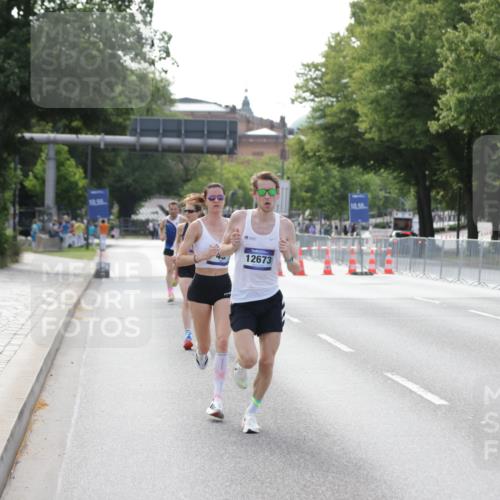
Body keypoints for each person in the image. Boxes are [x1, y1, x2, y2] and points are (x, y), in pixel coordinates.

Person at [219, 171, 300, 434]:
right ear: (254, 194)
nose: (267, 197)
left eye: (271, 192)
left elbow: (297, 269)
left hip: (270, 301)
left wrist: (288, 256)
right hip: (242, 300)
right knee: (250, 358)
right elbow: (222, 250)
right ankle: (240, 364)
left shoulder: (285, 225)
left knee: (267, 362)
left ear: (277, 194)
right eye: (261, 192)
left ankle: (251, 412)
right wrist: (232, 245)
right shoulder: (240, 219)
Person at [177, 183, 231, 420]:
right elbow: (179, 259)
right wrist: (203, 255)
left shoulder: (231, 225)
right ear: (206, 201)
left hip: (223, 286)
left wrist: (229, 247)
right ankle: (201, 353)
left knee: (222, 339)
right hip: (200, 286)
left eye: (220, 197)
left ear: (224, 200)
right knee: (205, 344)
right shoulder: (196, 227)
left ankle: (217, 399)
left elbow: (239, 247)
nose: (217, 201)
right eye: (213, 198)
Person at [174, 194, 204, 350]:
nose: (188, 214)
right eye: (186, 211)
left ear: (199, 211)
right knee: (187, 299)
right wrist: (174, 271)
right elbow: (177, 250)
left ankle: (201, 333)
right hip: (186, 266)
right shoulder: (181, 228)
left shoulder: (206, 226)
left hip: (202, 267)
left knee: (198, 303)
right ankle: (188, 334)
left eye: (191, 211)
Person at [159, 201, 186, 303]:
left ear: (178, 210)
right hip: (169, 247)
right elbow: (161, 230)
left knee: (177, 267)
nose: (173, 211)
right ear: (168, 210)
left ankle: (177, 275)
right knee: (169, 269)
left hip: (180, 248)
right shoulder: (164, 220)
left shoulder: (183, 219)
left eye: (175, 209)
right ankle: (170, 293)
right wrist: (161, 235)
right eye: (171, 209)